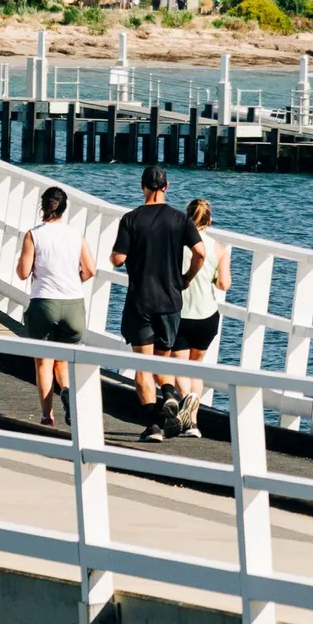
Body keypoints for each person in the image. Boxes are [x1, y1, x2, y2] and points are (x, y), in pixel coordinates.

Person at [109, 165, 207, 441]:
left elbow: (118, 259)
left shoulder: (131, 219)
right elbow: (200, 252)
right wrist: (186, 278)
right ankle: (169, 393)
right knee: (161, 362)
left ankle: (153, 426)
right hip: (170, 301)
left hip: (140, 300)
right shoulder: (180, 219)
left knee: (143, 364)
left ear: (142, 187)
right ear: (166, 186)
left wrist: (119, 257)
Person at [16, 186, 96, 426]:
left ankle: (47, 415)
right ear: (64, 208)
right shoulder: (76, 235)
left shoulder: (34, 234)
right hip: (73, 304)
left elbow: (22, 273)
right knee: (62, 360)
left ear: (42, 207)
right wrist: (73, 280)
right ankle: (68, 392)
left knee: (43, 362)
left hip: (44, 303)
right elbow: (90, 270)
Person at [166, 198, 229, 437]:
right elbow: (224, 284)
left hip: (181, 313)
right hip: (207, 316)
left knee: (179, 366)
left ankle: (188, 409)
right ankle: (192, 421)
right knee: (196, 368)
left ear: (186, 218)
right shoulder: (219, 249)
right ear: (209, 220)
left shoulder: (176, 243)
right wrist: (211, 278)